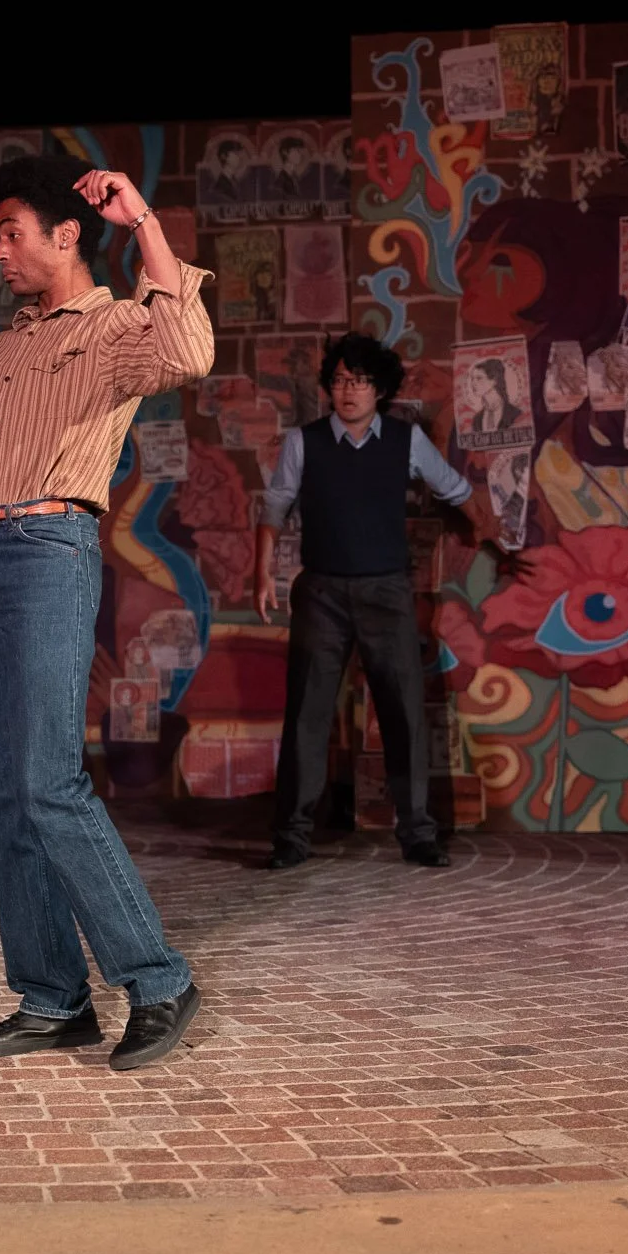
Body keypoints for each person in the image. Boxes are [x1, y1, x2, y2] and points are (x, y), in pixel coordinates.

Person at [0, 154, 214, 1071]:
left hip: (48, 552)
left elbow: (190, 351)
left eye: (12, 233)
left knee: (53, 783)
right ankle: (52, 998)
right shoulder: (2, 347)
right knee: (4, 797)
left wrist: (143, 223)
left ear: (66, 235)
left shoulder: (114, 330)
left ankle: (159, 979)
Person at [253, 334, 510, 872]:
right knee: (307, 715)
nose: (349, 391)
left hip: (387, 592)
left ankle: (418, 832)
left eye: (361, 381)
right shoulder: (305, 442)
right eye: (341, 380)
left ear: (381, 389)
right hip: (321, 592)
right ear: (329, 386)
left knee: (403, 714)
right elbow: (275, 506)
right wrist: (262, 574)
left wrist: (494, 539)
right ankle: (292, 836)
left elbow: (456, 490)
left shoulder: (404, 441)